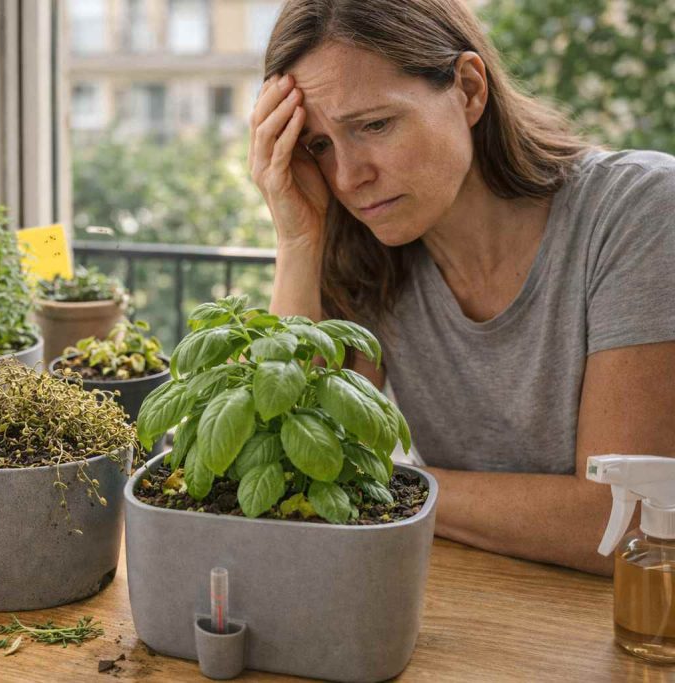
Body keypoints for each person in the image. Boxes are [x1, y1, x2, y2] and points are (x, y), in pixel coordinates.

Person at [250, 0, 675, 575]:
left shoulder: (641, 212)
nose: (349, 177)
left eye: (374, 125)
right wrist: (298, 240)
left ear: (469, 89)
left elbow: (626, 519)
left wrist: (381, 487)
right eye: (319, 146)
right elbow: (289, 466)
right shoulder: (365, 252)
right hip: (481, 605)